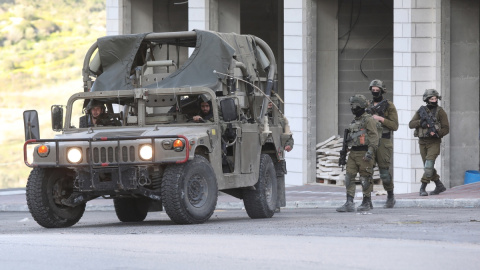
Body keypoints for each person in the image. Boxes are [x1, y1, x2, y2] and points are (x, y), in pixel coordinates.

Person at [336, 94, 379, 212]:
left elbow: (374, 137)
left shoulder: (368, 119)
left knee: (365, 178)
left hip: (364, 153)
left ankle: (367, 201)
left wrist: (370, 152)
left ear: (360, 106)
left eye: (354, 105)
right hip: (353, 153)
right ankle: (349, 202)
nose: (352, 108)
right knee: (349, 177)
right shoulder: (355, 120)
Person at [409, 89, 449, 196]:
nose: (434, 100)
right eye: (432, 99)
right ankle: (439, 184)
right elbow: (411, 124)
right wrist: (421, 123)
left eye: (435, 98)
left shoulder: (440, 112)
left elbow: (446, 128)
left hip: (434, 142)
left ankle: (422, 187)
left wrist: (437, 133)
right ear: (427, 100)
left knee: (428, 166)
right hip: (422, 142)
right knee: (428, 166)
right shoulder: (421, 111)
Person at [366, 79, 399, 208]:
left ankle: (390, 195)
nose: (375, 92)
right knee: (366, 171)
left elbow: (394, 125)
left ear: (382, 90)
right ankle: (366, 199)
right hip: (369, 140)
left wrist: (380, 118)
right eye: (373, 90)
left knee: (384, 172)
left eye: (377, 90)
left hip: (383, 140)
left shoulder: (389, 106)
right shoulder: (368, 105)